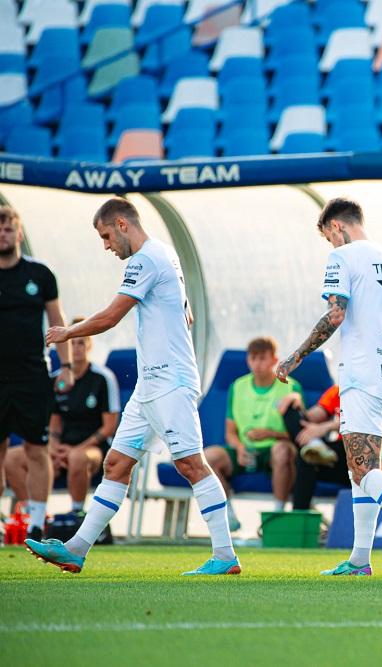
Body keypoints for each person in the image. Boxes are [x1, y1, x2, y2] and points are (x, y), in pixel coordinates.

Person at [26, 197, 239, 575]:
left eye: (106, 236)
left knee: (191, 464)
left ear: (122, 224)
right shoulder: (166, 254)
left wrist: (67, 332)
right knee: (116, 463)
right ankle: (75, 549)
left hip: (170, 381)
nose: (106, 246)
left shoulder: (145, 259)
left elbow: (111, 316)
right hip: (150, 384)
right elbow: (186, 313)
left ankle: (225, 556)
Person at [275, 197, 382, 577]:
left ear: (336, 226)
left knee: (363, 470)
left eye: (328, 237)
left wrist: (296, 356)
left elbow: (335, 314)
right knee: (362, 470)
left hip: (362, 375)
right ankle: (360, 560)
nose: (331, 244)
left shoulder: (342, 257)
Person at [0, 205, 75, 541]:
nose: (3, 235)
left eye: (8, 229)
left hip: (32, 376)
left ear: (19, 233)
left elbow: (58, 322)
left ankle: (37, 522)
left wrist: (66, 366)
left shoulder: (40, 275)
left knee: (36, 448)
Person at [5, 318, 120, 515]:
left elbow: (109, 427)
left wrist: (76, 449)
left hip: (93, 449)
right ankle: (36, 516)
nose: (76, 348)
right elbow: (54, 423)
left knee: (77, 458)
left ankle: (76, 515)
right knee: (11, 458)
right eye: (72, 343)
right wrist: (54, 448)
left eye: (81, 342)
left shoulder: (103, 378)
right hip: (62, 448)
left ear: (89, 345)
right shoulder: (59, 379)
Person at [204, 336, 301, 528]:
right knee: (208, 457)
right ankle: (227, 516)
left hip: (276, 451)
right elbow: (230, 433)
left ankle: (277, 517)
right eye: (253, 358)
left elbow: (299, 435)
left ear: (274, 360)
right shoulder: (237, 386)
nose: (257, 364)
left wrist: (270, 434)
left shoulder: (291, 388)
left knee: (282, 451)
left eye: (262, 358)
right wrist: (240, 448)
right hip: (245, 450)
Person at [279, 385, 351, 511]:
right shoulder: (338, 390)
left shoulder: (371, 388)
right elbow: (310, 417)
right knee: (307, 457)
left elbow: (366, 423)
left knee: (308, 456)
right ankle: (300, 516)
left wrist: (325, 427)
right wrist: (296, 403)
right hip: (334, 457)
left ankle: (314, 446)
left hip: (360, 454)